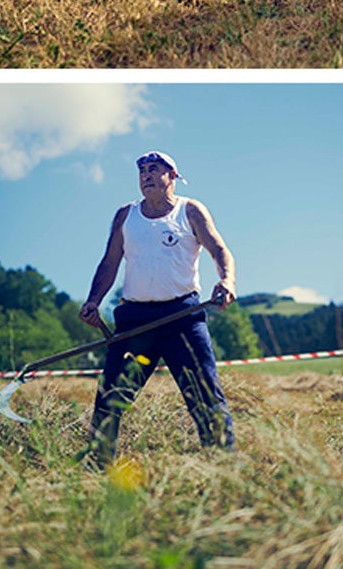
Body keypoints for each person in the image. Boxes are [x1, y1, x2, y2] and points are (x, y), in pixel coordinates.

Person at [79, 150, 236, 465]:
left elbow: (219, 249)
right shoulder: (126, 216)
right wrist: (93, 300)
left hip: (183, 318)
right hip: (135, 322)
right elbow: (110, 263)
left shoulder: (190, 210)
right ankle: (97, 469)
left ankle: (224, 467)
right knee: (110, 399)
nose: (146, 176)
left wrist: (227, 280)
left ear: (172, 176)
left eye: (154, 169)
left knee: (205, 397)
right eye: (142, 172)